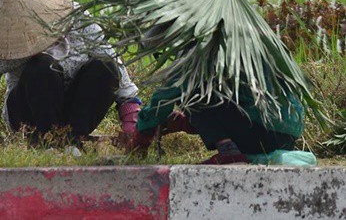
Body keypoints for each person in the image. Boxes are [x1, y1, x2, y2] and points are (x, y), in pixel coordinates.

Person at [0, 0, 142, 146]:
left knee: (105, 66)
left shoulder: (75, 18)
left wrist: (130, 114)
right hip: (29, 114)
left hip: (76, 107)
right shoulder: (4, 39)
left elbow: (111, 58)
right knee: (43, 67)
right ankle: (46, 141)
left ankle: (74, 139)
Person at [128, 26, 304, 164]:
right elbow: (243, 98)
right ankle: (230, 146)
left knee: (190, 89)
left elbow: (165, 97)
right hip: (286, 136)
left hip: (262, 132)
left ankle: (229, 152)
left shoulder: (200, 46)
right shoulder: (239, 34)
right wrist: (187, 122)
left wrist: (142, 134)